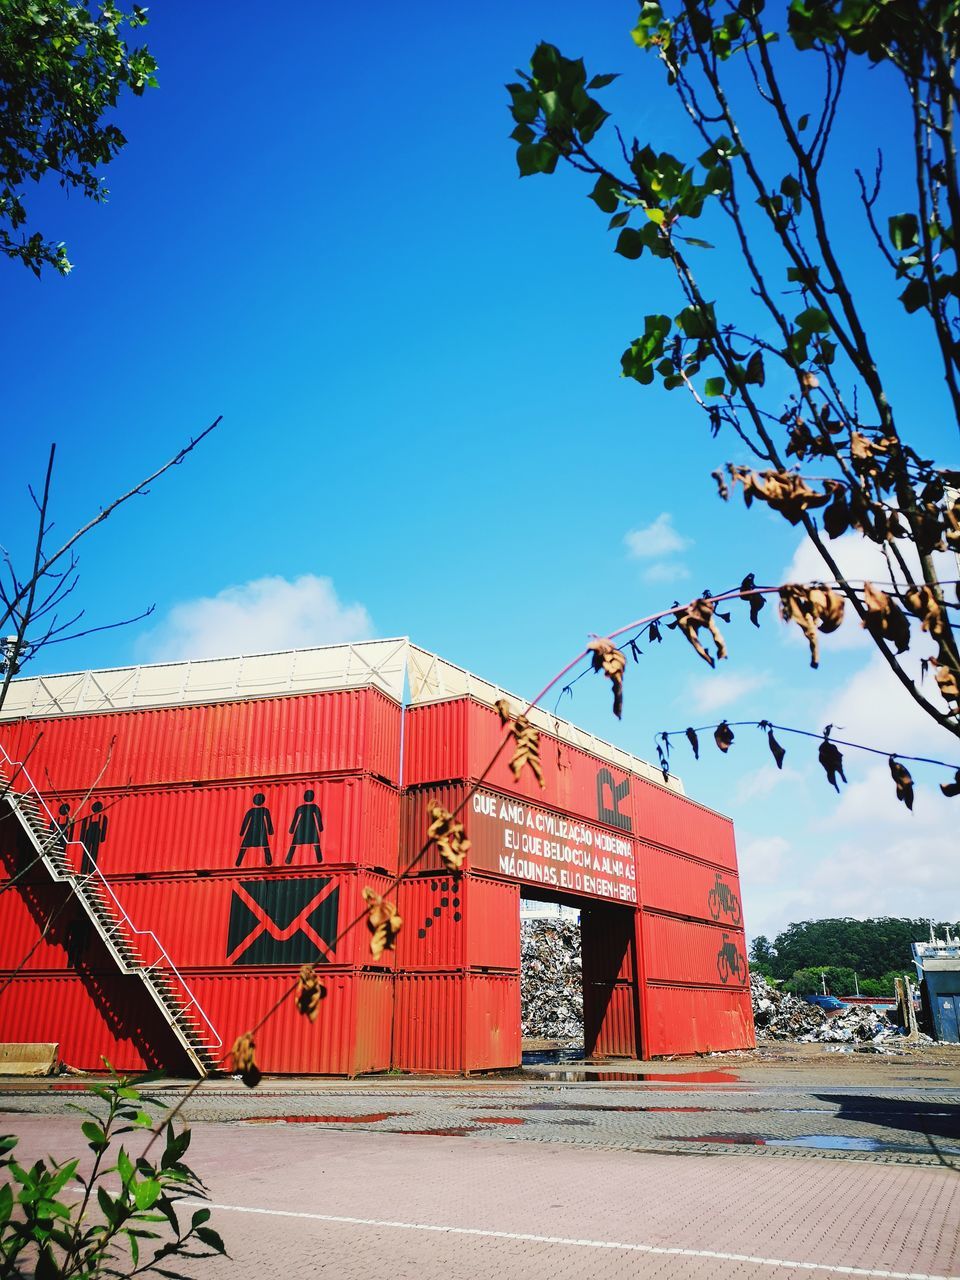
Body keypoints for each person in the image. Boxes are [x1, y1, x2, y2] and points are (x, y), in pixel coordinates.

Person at [285, 789, 324, 864]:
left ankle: (288, 860)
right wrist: (320, 828)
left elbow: (295, 819)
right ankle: (319, 859)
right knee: (316, 843)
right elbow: (318, 818)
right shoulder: (314, 807)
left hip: (301, 826)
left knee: (294, 844)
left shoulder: (300, 808)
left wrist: (291, 830)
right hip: (312, 827)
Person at [236, 793, 274, 867]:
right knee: (265, 846)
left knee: (244, 846)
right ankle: (269, 862)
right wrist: (270, 831)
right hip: (261, 830)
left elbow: (245, 821)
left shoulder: (251, 811)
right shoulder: (265, 810)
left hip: (251, 830)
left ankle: (238, 862)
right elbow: (268, 821)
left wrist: (242, 832)